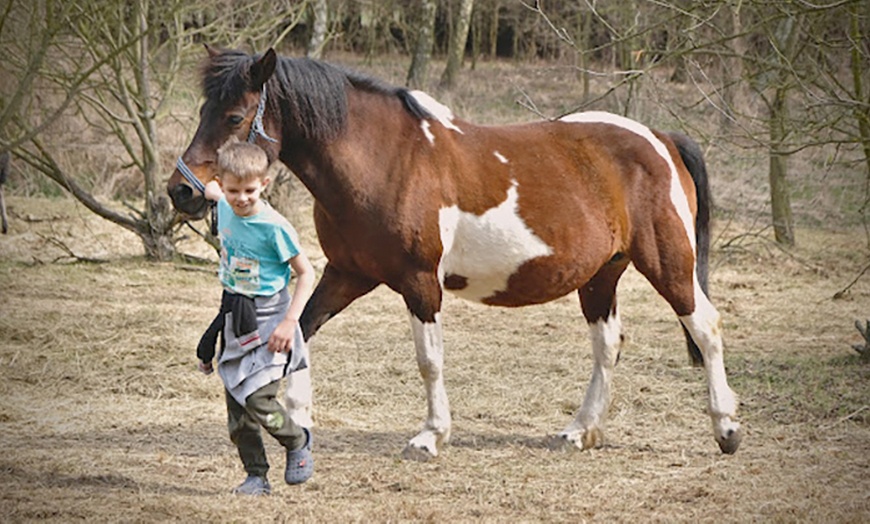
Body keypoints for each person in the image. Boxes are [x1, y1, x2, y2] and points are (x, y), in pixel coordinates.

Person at [196, 137, 316, 496]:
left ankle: (297, 440)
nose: (241, 198)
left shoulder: (275, 227)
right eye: (234, 190)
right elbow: (205, 185)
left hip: (270, 321)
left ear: (264, 184)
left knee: (258, 400)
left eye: (250, 190)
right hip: (236, 315)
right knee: (238, 412)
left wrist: (289, 323)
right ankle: (256, 476)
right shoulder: (224, 201)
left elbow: (307, 274)